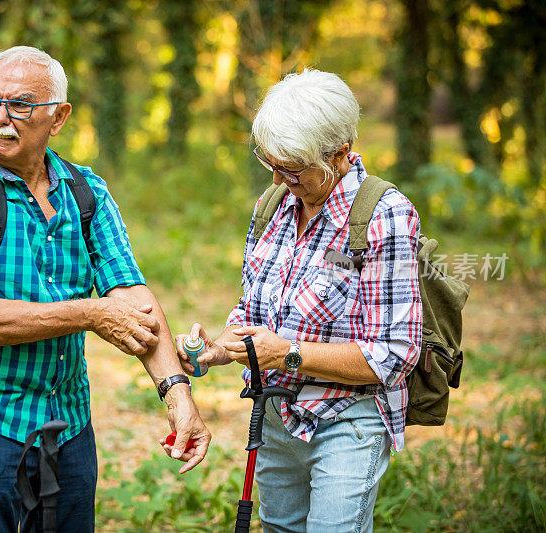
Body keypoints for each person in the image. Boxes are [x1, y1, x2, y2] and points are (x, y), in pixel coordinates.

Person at [0, 45, 210, 532]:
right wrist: (90, 314)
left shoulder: (84, 190)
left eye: (21, 104)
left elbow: (129, 293)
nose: (0, 118)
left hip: (67, 423)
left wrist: (179, 398)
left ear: (58, 117)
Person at [175, 69, 422, 532]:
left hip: (346, 419)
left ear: (340, 152)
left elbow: (394, 354)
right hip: (275, 415)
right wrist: (222, 346)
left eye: (293, 167)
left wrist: (286, 355)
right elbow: (252, 312)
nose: (278, 177)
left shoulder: (383, 215)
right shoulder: (273, 205)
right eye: (271, 162)